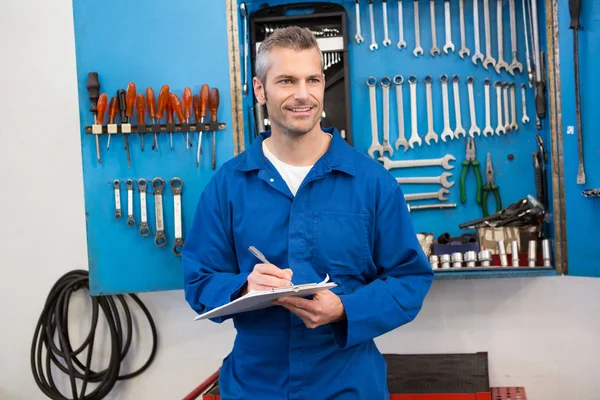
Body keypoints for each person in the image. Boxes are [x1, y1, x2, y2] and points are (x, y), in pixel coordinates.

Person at [182, 26, 434, 400]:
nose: (303, 95)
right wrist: (244, 286)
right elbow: (199, 280)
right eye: (286, 80)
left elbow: (409, 280)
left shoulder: (372, 183)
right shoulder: (228, 186)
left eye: (313, 79)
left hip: (349, 387)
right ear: (259, 89)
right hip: (256, 388)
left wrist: (345, 309)